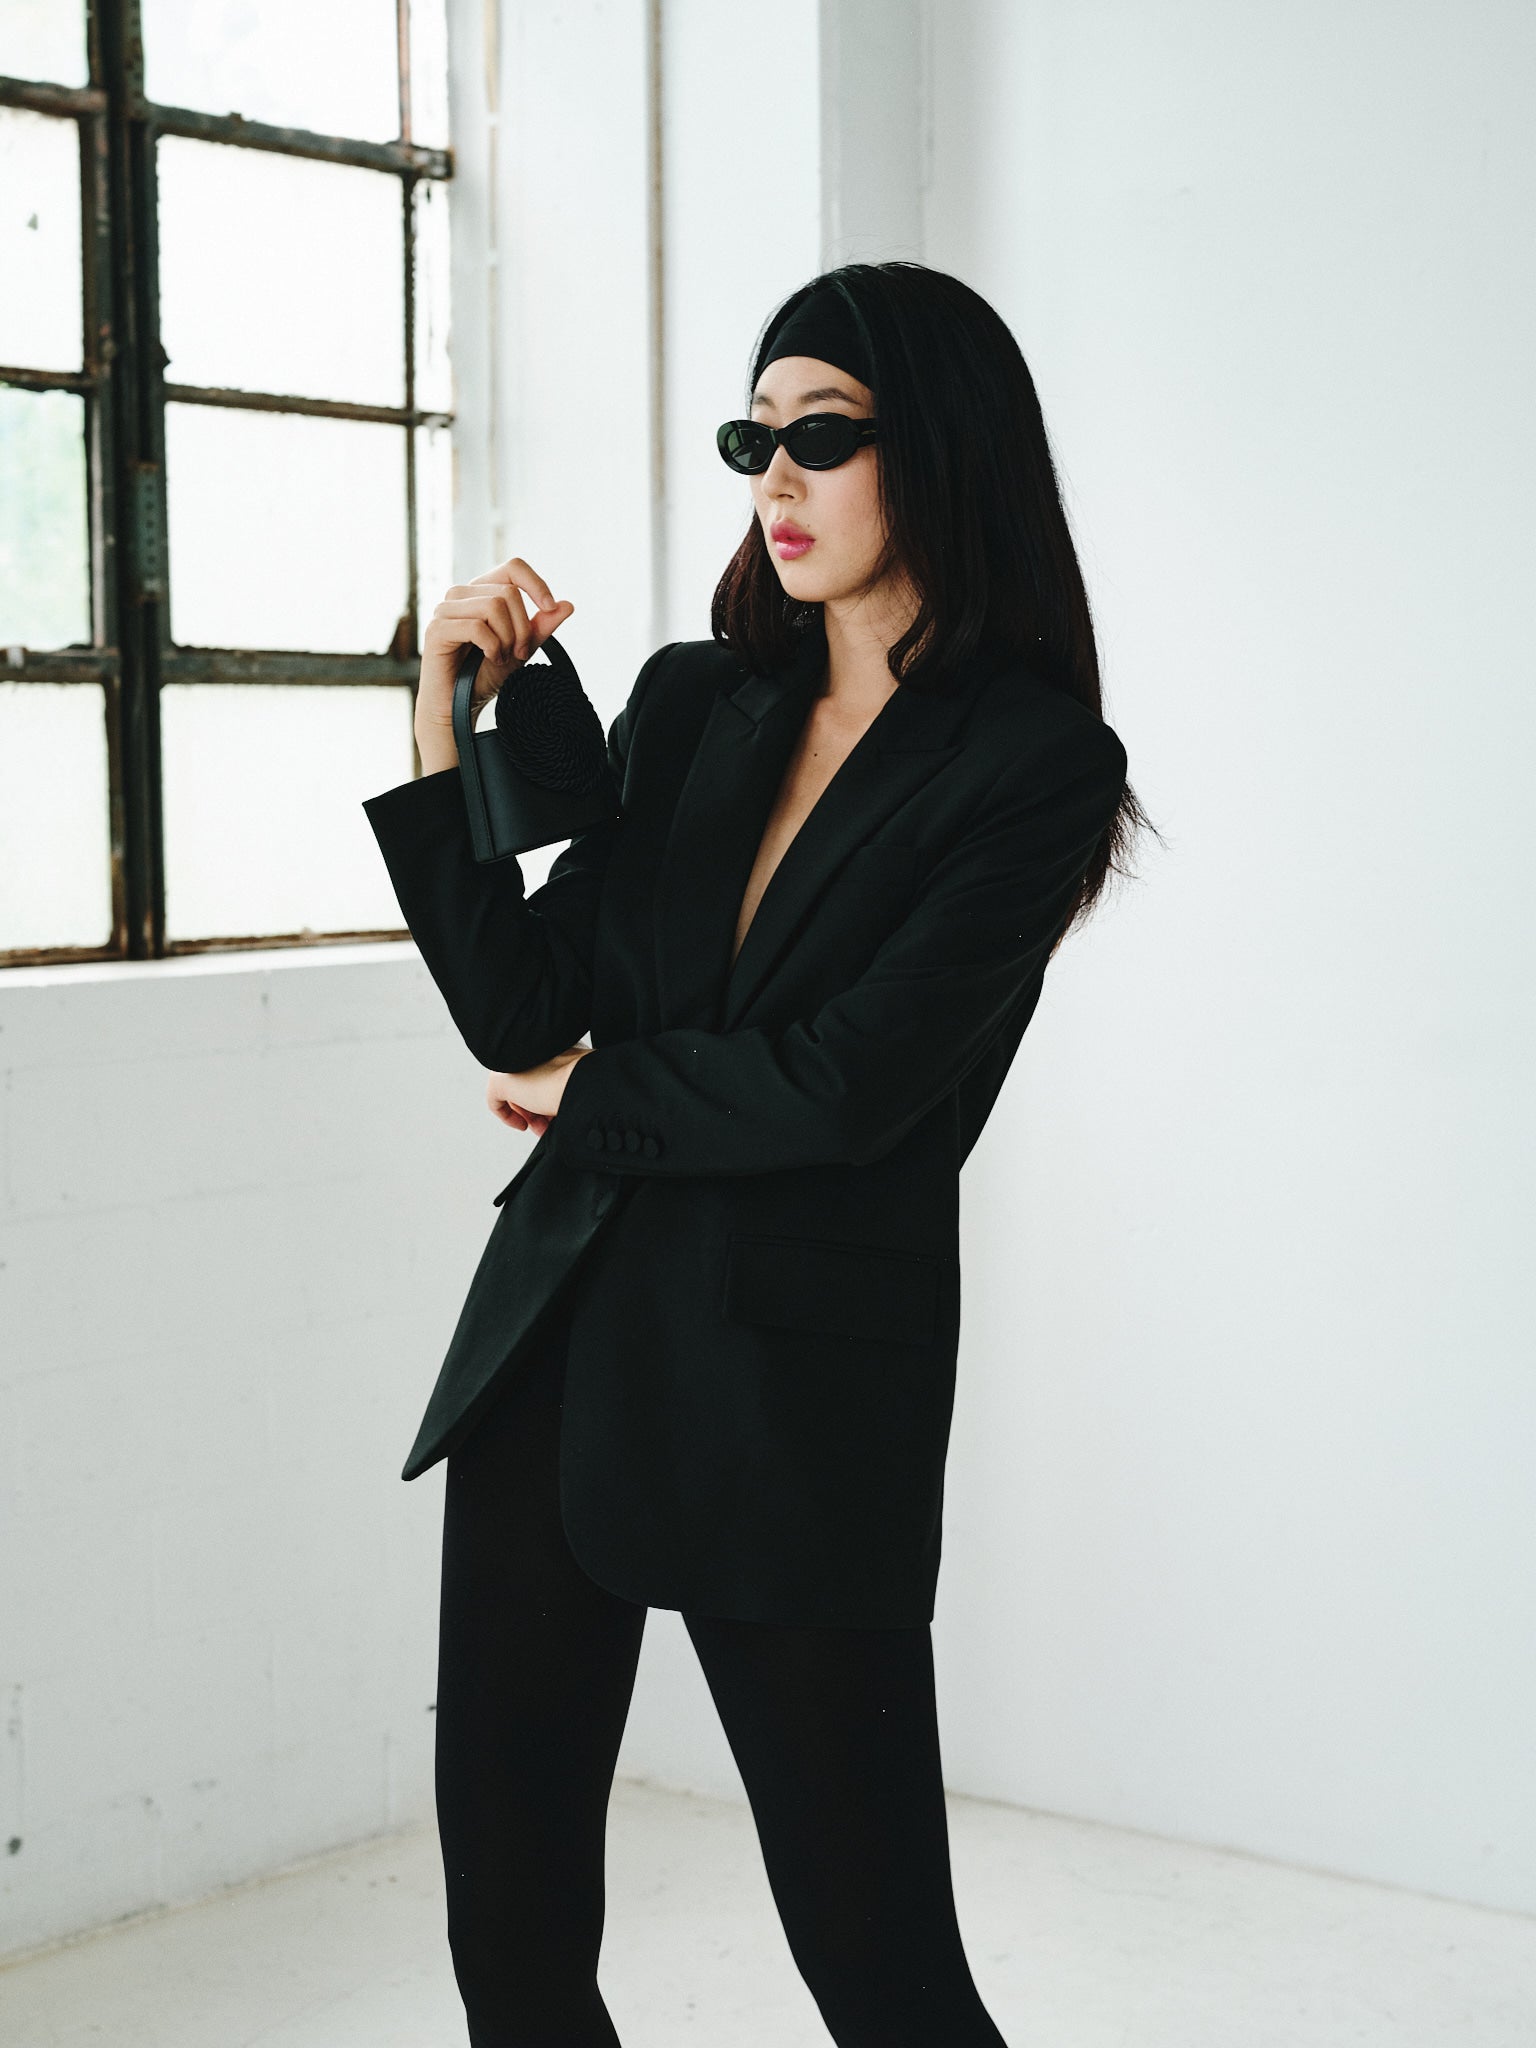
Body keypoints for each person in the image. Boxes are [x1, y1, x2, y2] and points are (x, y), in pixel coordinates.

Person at [366, 260, 1151, 2046]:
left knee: (881, 1967)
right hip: (557, 1353)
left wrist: (598, 1096)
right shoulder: (689, 699)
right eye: (755, 438)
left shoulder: (1033, 765)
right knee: (513, 1936)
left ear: (940, 450)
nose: (775, 477)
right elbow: (522, 1005)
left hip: (794, 1396)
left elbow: (853, 1087)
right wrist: (442, 728)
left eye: (824, 436)